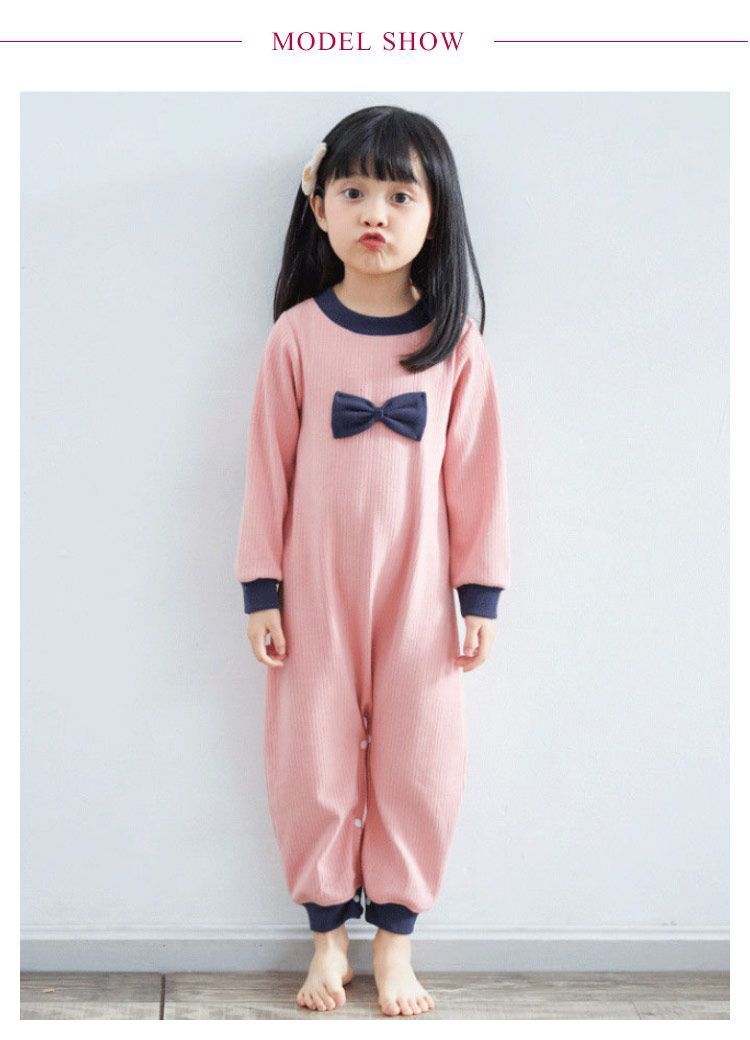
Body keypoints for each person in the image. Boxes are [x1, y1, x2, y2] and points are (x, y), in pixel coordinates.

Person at [234, 105, 510, 1016]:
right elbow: (267, 468)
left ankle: (394, 943)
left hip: (422, 592)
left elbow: (477, 478)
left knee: (421, 759)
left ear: (436, 213)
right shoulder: (296, 336)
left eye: (400, 195)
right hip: (312, 587)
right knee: (309, 755)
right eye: (353, 192)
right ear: (319, 207)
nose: (375, 214)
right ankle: (327, 942)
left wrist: (479, 594)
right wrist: (262, 589)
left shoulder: (455, 345)